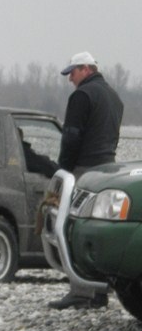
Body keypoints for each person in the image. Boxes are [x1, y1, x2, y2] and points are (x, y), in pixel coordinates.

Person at [49, 51, 124, 310]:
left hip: (84, 170)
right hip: (109, 169)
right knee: (98, 229)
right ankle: (100, 290)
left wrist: (64, 169)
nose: (70, 78)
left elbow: (71, 136)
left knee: (74, 229)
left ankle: (81, 292)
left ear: (86, 69)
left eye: (73, 72)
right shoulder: (114, 97)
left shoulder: (82, 96)